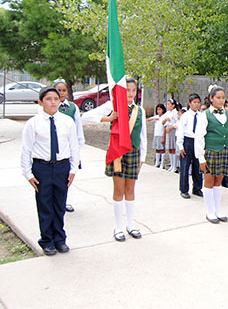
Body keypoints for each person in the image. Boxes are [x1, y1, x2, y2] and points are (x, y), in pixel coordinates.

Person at [81, 77, 147, 241]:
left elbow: (143, 135)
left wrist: (142, 158)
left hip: (133, 153)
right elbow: (87, 116)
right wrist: (109, 118)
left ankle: (130, 225)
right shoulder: (113, 106)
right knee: (118, 190)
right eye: (127, 90)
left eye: (134, 90)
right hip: (117, 152)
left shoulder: (140, 110)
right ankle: (118, 227)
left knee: (130, 190)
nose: (130, 94)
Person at [21, 86, 80, 255]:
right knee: (45, 205)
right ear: (40, 103)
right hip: (42, 168)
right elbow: (26, 150)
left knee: (59, 205)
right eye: (48, 99)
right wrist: (28, 173)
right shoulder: (33, 123)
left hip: (62, 167)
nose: (53, 102)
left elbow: (74, 147)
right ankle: (47, 240)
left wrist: (73, 169)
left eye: (56, 98)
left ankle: (60, 239)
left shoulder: (67, 122)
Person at [195, 85, 228, 223]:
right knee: (209, 180)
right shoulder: (205, 115)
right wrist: (201, 157)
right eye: (218, 98)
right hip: (210, 151)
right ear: (211, 98)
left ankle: (218, 210)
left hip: (224, 151)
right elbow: (199, 137)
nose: (221, 100)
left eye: (223, 98)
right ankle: (209, 211)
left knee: (219, 181)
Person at [53, 78, 85, 213]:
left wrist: (79, 143)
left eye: (64, 90)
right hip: (54, 146)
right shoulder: (51, 106)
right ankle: (53, 201)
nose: (61, 93)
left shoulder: (72, 107)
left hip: (69, 145)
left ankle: (63, 201)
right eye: (58, 90)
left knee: (67, 175)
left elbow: (78, 125)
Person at [176, 94, 203, 199]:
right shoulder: (185, 116)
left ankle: (197, 188)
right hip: (188, 141)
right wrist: (181, 146)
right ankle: (184, 189)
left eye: (198, 102)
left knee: (198, 166)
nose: (196, 104)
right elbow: (180, 131)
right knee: (185, 166)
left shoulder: (201, 116)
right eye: (194, 102)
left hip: (198, 141)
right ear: (189, 103)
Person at [147, 104, 167, 168]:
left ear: (163, 110)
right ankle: (157, 162)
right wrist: (155, 118)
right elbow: (148, 119)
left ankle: (162, 164)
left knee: (162, 149)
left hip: (161, 135)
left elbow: (165, 127)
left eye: (160, 109)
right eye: (157, 109)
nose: (158, 111)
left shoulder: (164, 117)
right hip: (156, 134)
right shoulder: (157, 117)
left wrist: (163, 137)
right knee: (157, 149)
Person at [162, 99, 178, 172]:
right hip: (168, 130)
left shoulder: (175, 113)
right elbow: (162, 122)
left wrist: (171, 127)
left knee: (173, 148)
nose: (167, 106)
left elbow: (177, 122)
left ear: (173, 105)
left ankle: (174, 166)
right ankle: (171, 165)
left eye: (169, 104)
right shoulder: (167, 113)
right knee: (170, 148)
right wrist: (165, 120)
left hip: (173, 130)